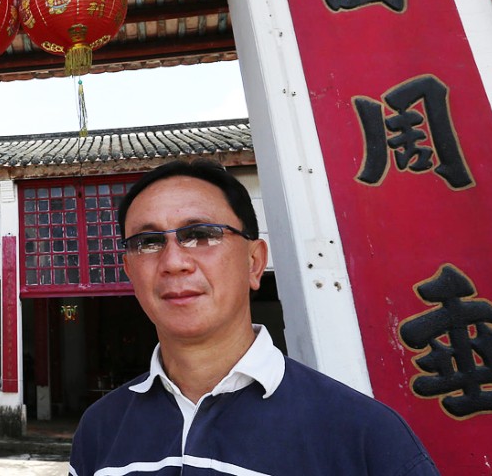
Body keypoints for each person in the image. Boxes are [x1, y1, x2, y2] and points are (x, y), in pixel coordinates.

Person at [69, 159, 438, 476]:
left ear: (254, 261)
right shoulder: (101, 428)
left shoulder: (364, 434)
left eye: (200, 234)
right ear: (130, 272)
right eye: (148, 242)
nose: (174, 262)